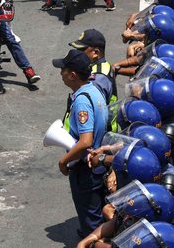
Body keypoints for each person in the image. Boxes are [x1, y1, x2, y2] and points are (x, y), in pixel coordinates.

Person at [53, 49, 108, 238]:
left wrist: (63, 161)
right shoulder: (94, 90)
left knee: (91, 226)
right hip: (98, 164)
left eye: (63, 70)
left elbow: (86, 142)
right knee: (98, 216)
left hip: (86, 170)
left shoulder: (81, 102)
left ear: (73, 75)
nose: (61, 73)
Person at [69, 29, 117, 105]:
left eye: (81, 50)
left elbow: (92, 107)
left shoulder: (96, 79)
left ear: (95, 52)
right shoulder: (104, 66)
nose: (77, 53)